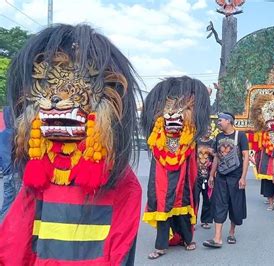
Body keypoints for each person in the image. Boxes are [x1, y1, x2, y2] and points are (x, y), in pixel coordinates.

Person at [0, 24, 142, 265]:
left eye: (68, 89)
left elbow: (122, 247)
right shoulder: (41, 173)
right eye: (49, 89)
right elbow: (16, 238)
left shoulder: (120, 180)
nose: (55, 99)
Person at [141, 77, 211, 259]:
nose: (172, 114)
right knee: (162, 207)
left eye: (178, 110)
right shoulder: (157, 137)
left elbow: (198, 119)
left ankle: (187, 239)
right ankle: (161, 246)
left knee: (182, 206)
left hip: (183, 178)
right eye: (168, 110)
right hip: (161, 178)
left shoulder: (189, 136)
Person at [203, 112, 249, 248]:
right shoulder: (219, 136)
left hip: (236, 177)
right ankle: (217, 238)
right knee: (219, 204)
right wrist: (212, 174)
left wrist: (243, 177)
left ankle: (231, 232)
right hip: (221, 177)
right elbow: (216, 157)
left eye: (220, 120)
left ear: (229, 121)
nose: (218, 122)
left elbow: (245, 156)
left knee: (234, 204)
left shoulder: (240, 136)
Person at [0, 107, 19, 220]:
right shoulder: (19, 133)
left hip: (7, 175)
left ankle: (2, 226)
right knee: (21, 205)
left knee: (7, 204)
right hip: (18, 173)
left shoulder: (1, 136)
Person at [195, 127, 215, 229]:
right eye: (206, 129)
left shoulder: (213, 142)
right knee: (194, 199)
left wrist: (212, 153)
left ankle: (206, 221)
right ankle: (192, 221)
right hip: (196, 175)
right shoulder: (196, 141)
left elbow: (217, 156)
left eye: (210, 130)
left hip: (208, 175)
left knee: (208, 199)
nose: (208, 131)